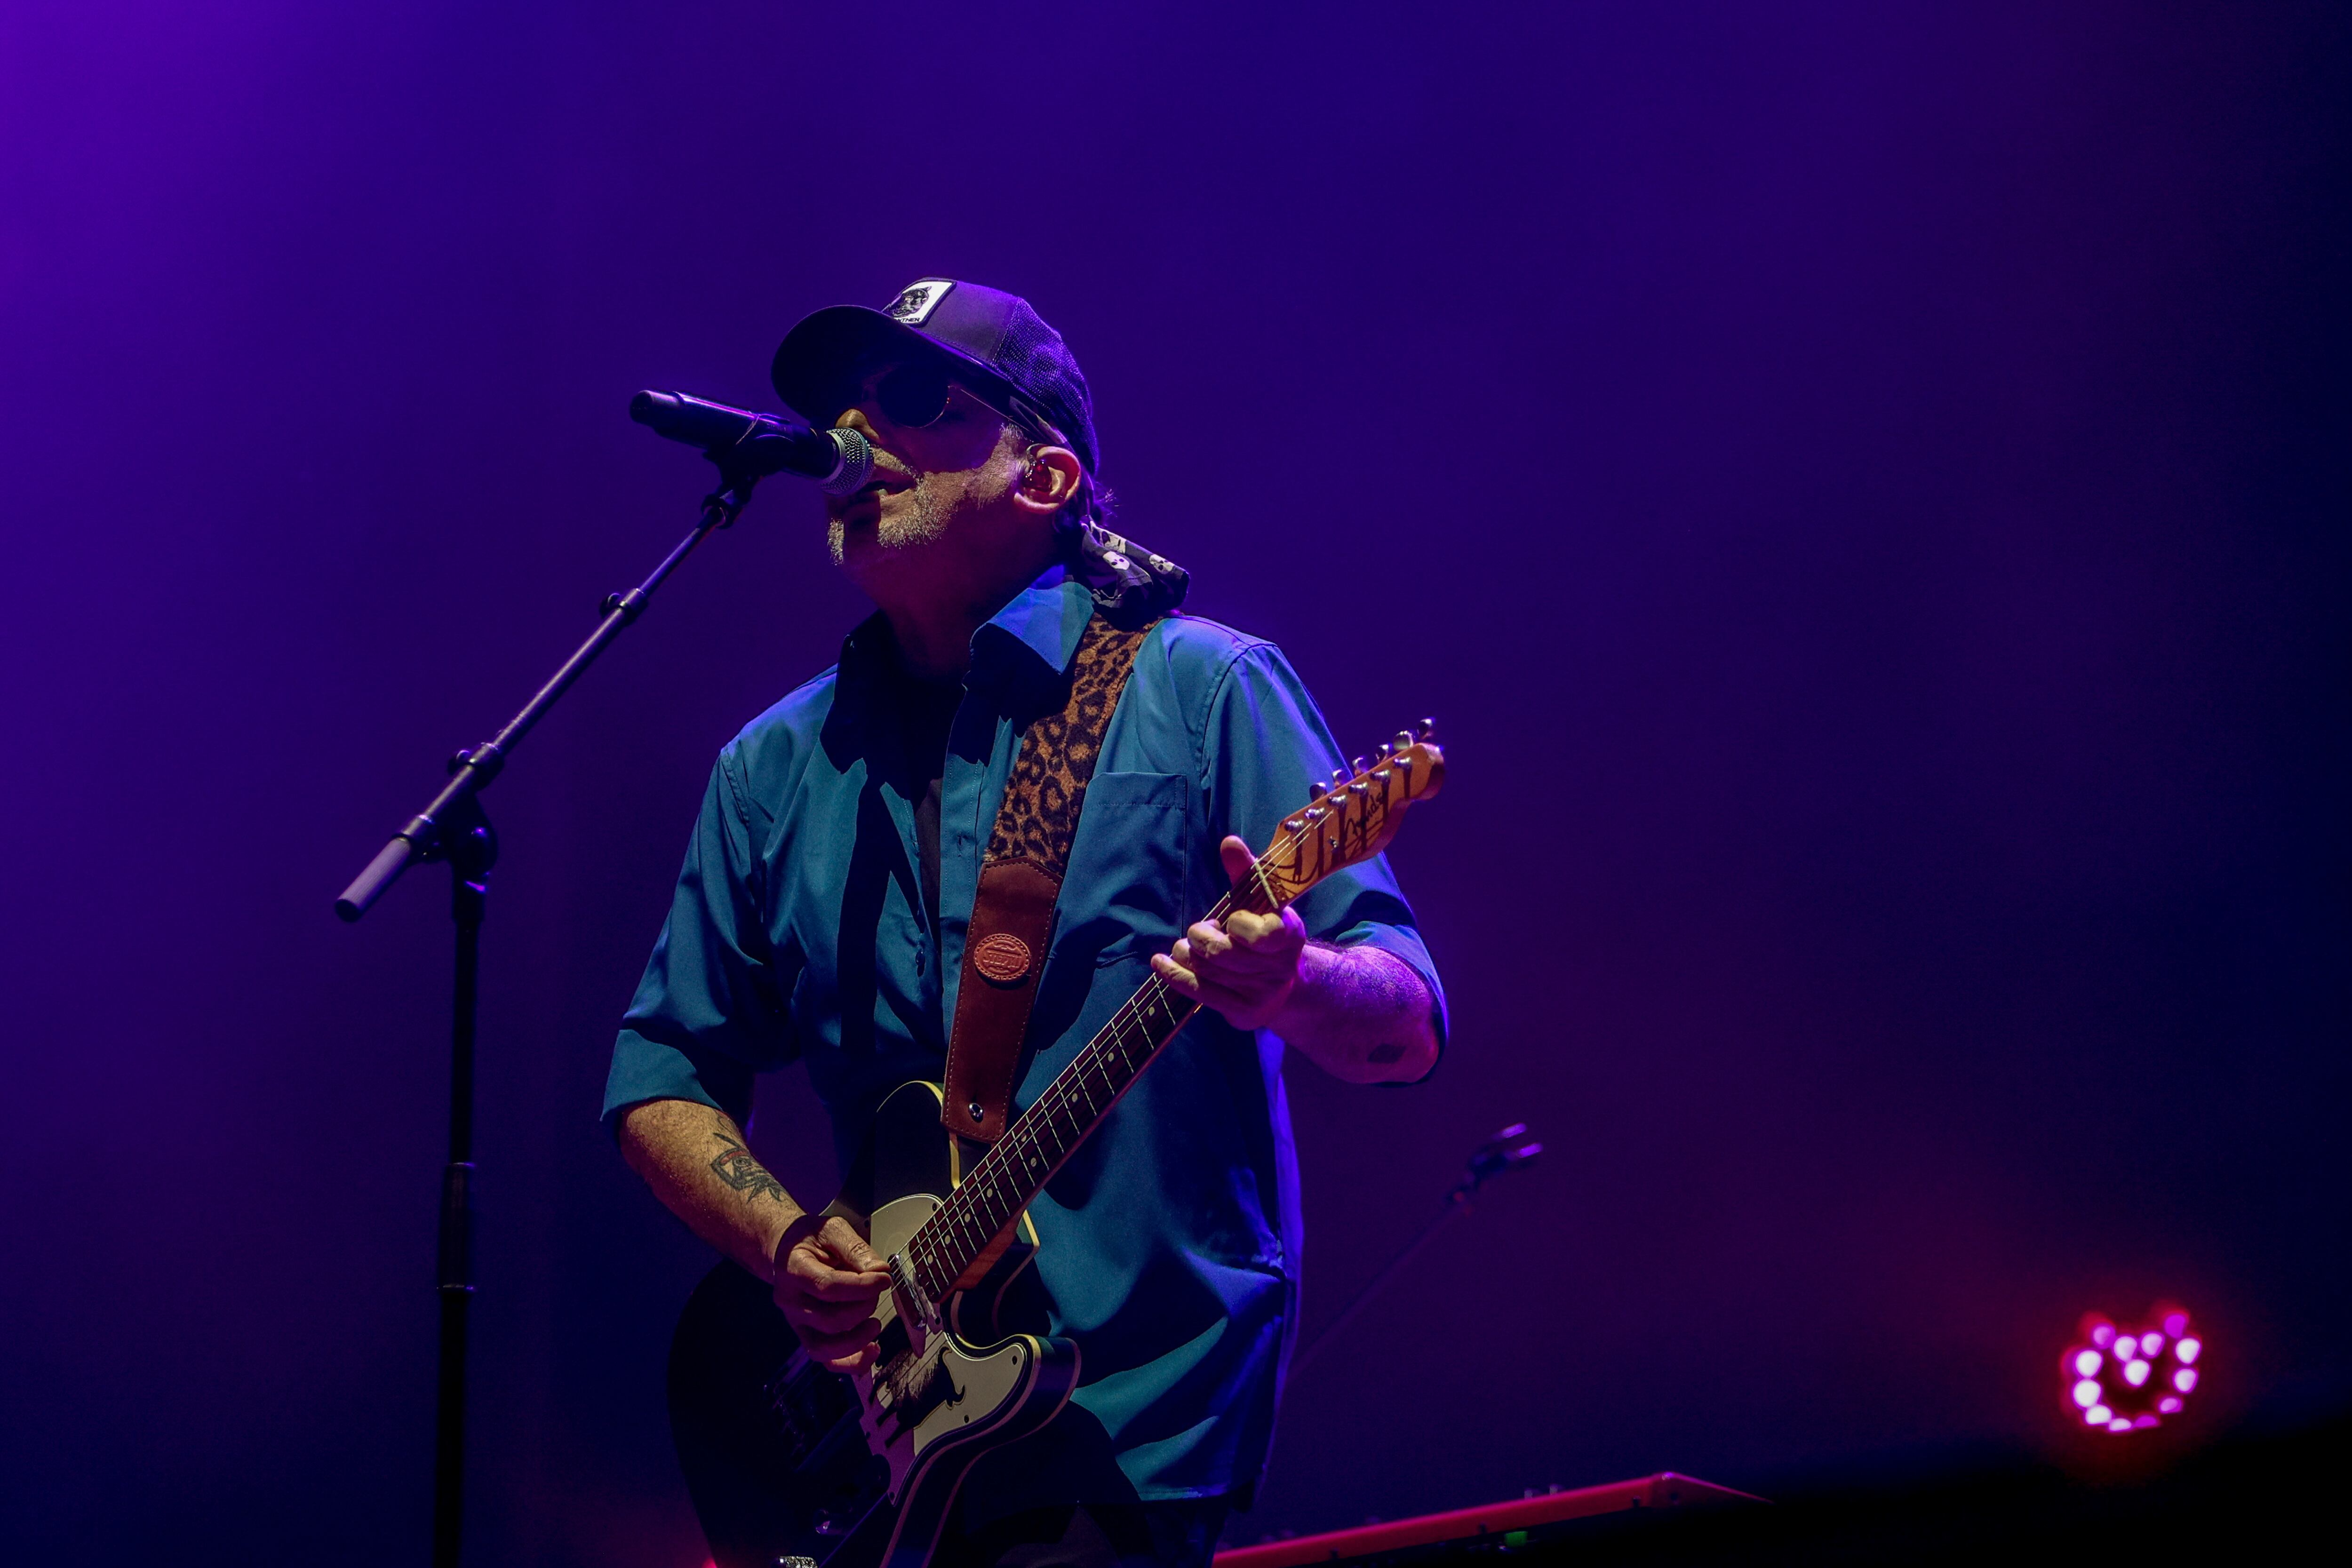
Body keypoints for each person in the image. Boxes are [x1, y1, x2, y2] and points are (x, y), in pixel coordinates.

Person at [605, 278, 1446, 1568]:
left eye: (912, 398)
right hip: (877, 1433)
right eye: (846, 403)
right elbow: (661, 1075)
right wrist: (781, 1242)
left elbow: (1404, 1028)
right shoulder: (768, 769)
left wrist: (1293, 981)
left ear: (1045, 477)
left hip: (1133, 1420)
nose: (854, 430)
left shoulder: (1204, 689)